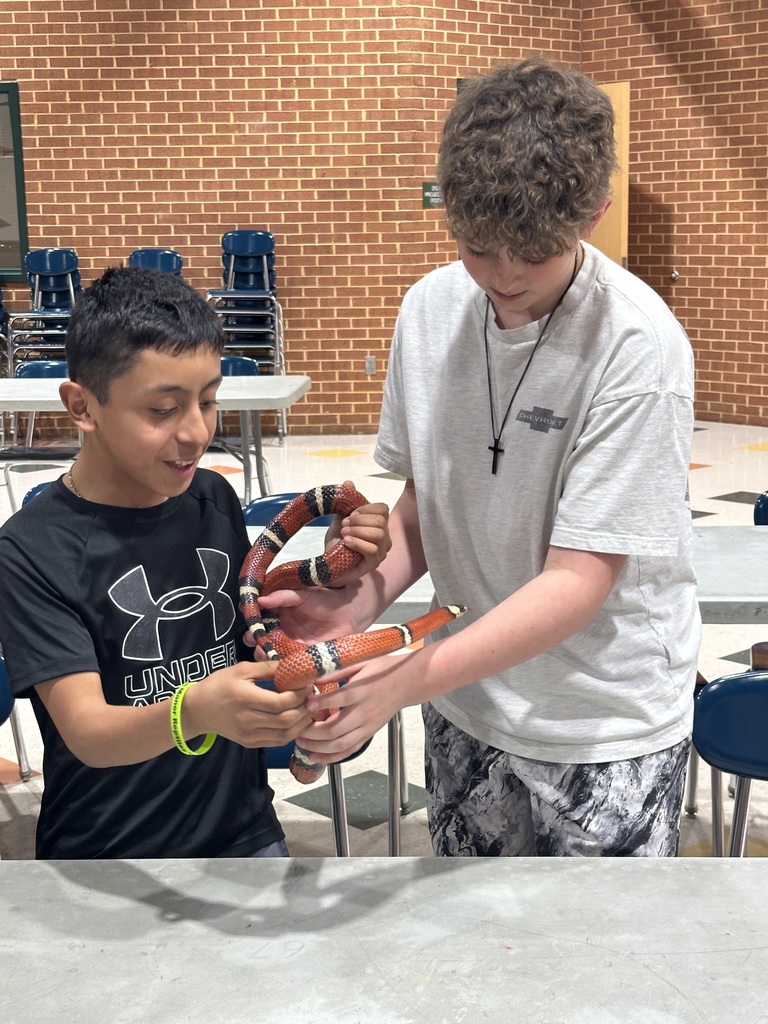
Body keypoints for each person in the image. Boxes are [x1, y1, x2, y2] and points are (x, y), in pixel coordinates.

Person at [261, 56, 701, 857]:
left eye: (529, 256)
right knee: (473, 959)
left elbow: (577, 581)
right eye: (476, 249)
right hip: (465, 702)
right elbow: (426, 507)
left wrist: (397, 681)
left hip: (600, 722)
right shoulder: (430, 312)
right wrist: (360, 610)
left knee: (600, 965)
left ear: (594, 213)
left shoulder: (638, 346)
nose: (501, 277)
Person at [0, 265, 389, 859]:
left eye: (208, 401)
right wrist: (196, 709)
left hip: (243, 830)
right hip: (107, 853)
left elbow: (243, 635)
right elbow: (90, 733)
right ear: (82, 406)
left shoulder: (212, 499)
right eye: (162, 410)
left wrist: (336, 574)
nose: (196, 432)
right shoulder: (30, 550)